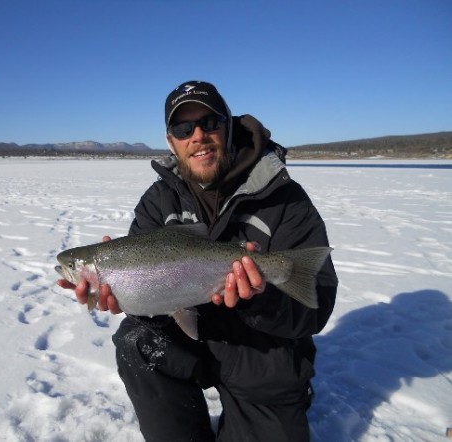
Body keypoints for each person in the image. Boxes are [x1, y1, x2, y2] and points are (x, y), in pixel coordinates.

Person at [58, 80, 338, 441]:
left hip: (263, 354)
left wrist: (260, 296)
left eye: (210, 122)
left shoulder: (284, 198)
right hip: (189, 342)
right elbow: (152, 295)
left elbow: (316, 308)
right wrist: (125, 299)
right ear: (171, 140)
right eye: (183, 128)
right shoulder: (159, 203)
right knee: (136, 340)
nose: (198, 136)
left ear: (228, 126)